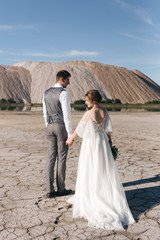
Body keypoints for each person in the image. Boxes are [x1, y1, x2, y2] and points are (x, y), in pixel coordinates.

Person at [66, 90, 135, 230]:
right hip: (102, 142)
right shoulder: (105, 112)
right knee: (103, 169)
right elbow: (108, 131)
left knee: (90, 168)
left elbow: (79, 130)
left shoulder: (88, 114)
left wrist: (70, 139)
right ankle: (103, 194)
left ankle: (93, 195)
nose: (85, 102)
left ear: (93, 101)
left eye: (87, 100)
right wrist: (110, 143)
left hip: (91, 144)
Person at [43, 70, 73, 198]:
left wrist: (48, 126)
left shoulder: (46, 92)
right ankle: (61, 189)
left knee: (50, 157)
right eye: (67, 80)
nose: (69, 82)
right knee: (61, 158)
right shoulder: (63, 93)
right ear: (62, 79)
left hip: (49, 126)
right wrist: (70, 134)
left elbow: (45, 112)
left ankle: (50, 190)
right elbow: (67, 115)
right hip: (61, 126)